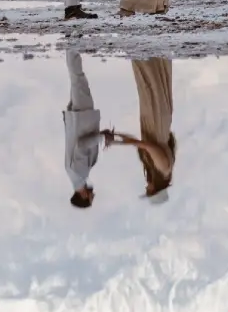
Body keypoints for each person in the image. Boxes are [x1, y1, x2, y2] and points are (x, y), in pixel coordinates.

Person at [108, 57, 175, 203]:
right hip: (156, 121)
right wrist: (126, 143)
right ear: (156, 189)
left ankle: (146, 56)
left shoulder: (157, 169)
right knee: (151, 85)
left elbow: (141, 144)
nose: (147, 188)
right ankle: (146, 56)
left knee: (149, 86)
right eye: (149, 191)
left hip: (153, 122)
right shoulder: (164, 169)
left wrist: (116, 137)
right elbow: (149, 146)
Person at [62, 50, 113, 209]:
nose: (93, 195)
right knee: (76, 79)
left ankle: (72, 45)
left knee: (78, 78)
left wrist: (102, 137)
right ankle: (72, 46)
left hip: (82, 117)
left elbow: (83, 144)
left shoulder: (80, 174)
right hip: (76, 118)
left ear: (83, 195)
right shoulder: (73, 175)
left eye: (91, 198)